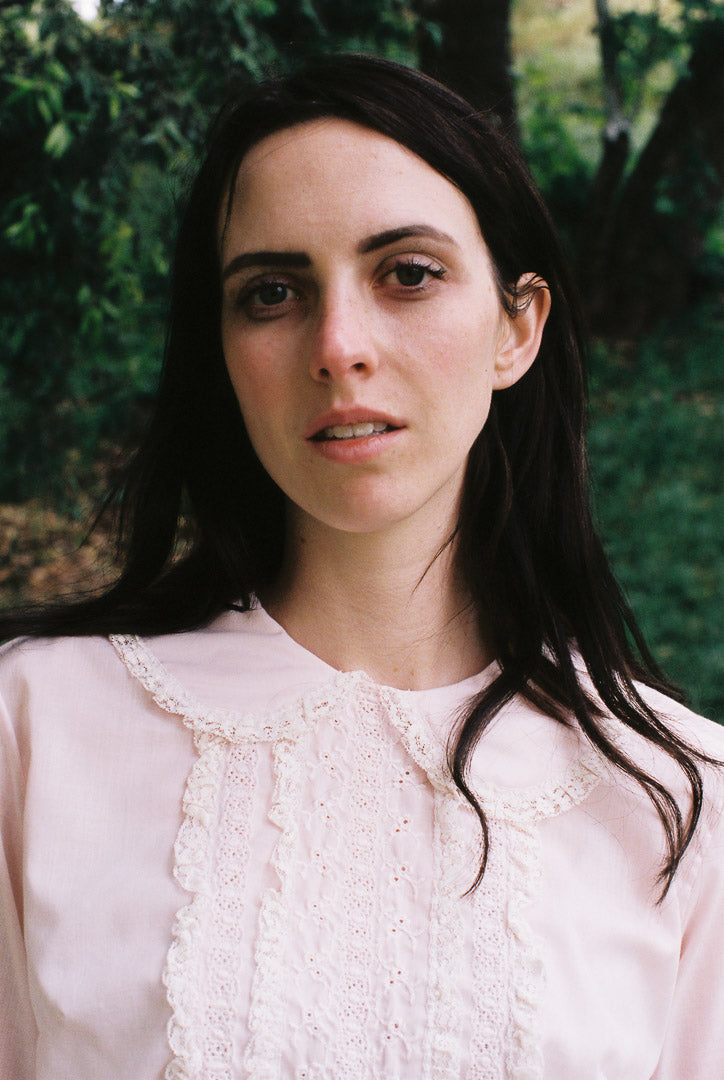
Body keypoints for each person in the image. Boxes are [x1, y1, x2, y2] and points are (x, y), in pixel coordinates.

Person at [1, 53, 722, 1080]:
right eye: (272, 292)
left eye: (408, 274)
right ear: (221, 345)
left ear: (517, 326)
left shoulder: (680, 801)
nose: (338, 344)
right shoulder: (36, 726)